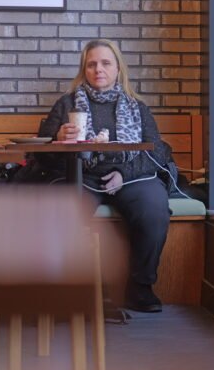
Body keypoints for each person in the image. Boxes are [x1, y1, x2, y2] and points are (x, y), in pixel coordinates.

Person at [35, 39, 173, 313]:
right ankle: (81, 288)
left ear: (118, 68)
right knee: (64, 210)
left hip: (129, 177)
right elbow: (42, 155)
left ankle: (140, 288)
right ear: (84, 70)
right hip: (82, 175)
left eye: (106, 63)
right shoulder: (66, 104)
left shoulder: (137, 106)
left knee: (154, 209)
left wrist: (123, 173)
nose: (98, 69)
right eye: (92, 64)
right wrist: (58, 138)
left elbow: (156, 152)